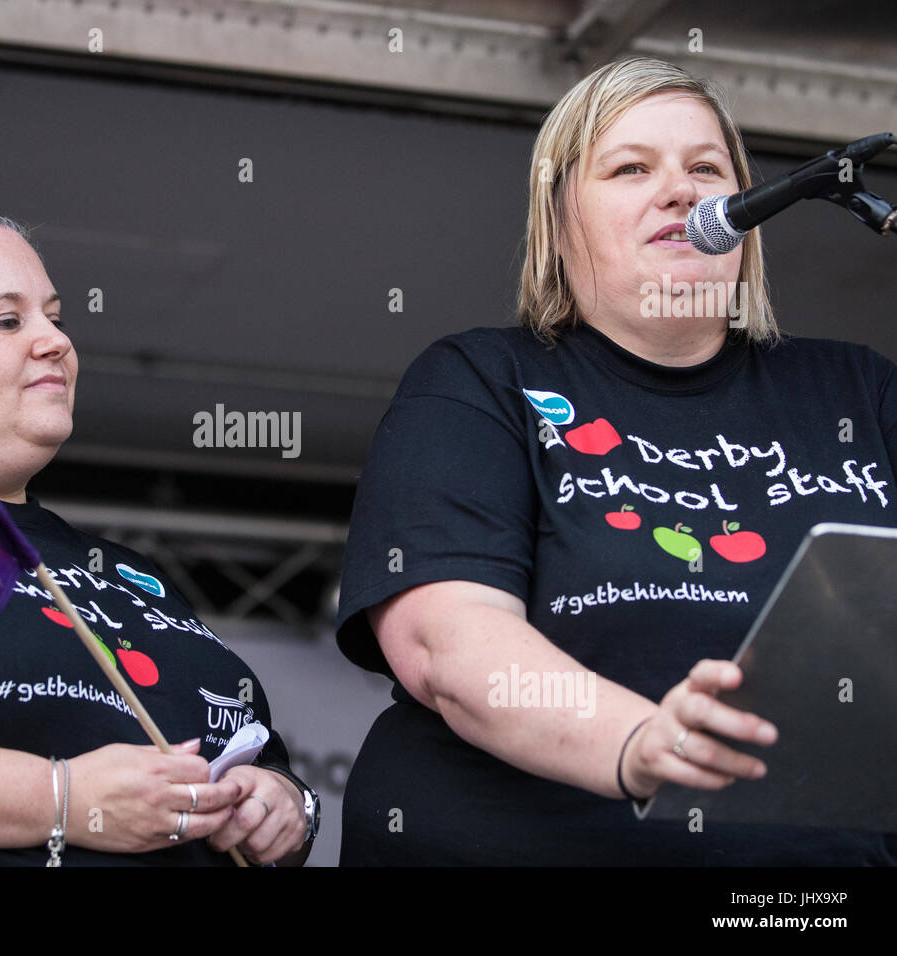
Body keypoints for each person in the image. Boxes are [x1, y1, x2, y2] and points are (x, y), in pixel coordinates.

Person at [335, 56, 897, 865]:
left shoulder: (861, 392)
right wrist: (639, 746)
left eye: (707, 168)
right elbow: (446, 644)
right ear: (559, 222)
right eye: (632, 168)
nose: (681, 191)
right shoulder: (481, 381)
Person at [0, 212, 318, 865]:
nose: (56, 342)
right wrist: (62, 797)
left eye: (56, 318)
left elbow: (257, 757)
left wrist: (286, 804)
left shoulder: (127, 570)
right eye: (7, 321)